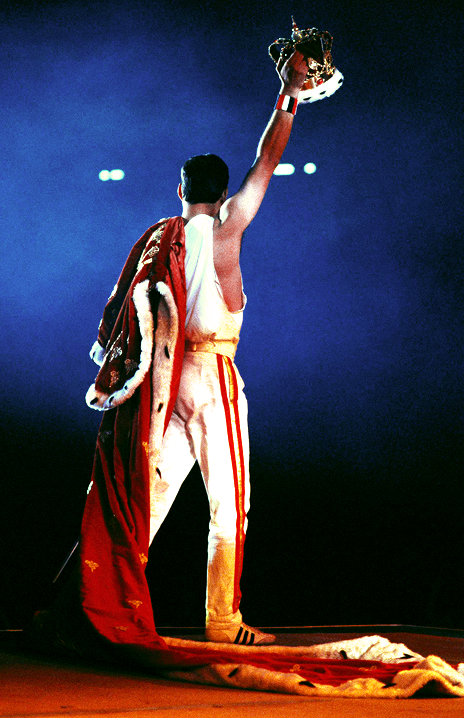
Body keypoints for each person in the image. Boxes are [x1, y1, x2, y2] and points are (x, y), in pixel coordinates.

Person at [145, 49, 309, 646]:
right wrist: (290, 93)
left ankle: (101, 604)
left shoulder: (159, 239)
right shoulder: (225, 230)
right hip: (213, 376)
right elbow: (267, 160)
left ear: (180, 189)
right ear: (220, 195)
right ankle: (222, 622)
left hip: (166, 382)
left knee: (148, 502)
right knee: (228, 505)